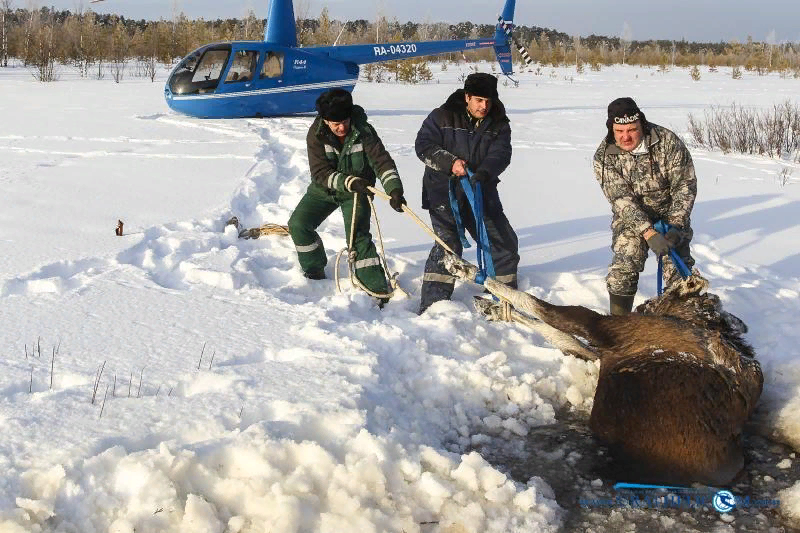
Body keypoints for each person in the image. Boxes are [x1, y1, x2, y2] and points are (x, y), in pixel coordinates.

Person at [414, 72, 520, 314]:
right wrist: (450, 162)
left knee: (502, 240)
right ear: (467, 97)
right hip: (443, 192)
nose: (484, 106)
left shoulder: (499, 123)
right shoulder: (441, 116)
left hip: (480, 188)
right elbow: (424, 146)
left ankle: (504, 300)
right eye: (479, 100)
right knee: (447, 244)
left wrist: (485, 172)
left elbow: (501, 153)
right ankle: (433, 306)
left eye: (488, 101)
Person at [287, 88, 407, 300]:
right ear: (325, 121)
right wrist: (349, 181)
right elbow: (320, 173)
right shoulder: (315, 135)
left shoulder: (364, 131)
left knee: (358, 237)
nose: (341, 127)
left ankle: (377, 289)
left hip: (357, 192)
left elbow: (382, 162)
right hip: (325, 189)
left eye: (345, 121)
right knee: (298, 224)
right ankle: (314, 269)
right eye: (336, 124)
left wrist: (394, 189)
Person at [593, 97, 697, 315]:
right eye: (619, 131)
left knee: (680, 274)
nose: (626, 136)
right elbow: (621, 199)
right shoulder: (604, 157)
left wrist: (676, 226)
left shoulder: (667, 142)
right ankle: (621, 327)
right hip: (632, 219)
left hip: (670, 216)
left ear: (642, 123)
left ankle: (683, 324)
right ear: (611, 128)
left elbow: (684, 186)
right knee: (623, 269)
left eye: (632, 129)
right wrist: (648, 232)